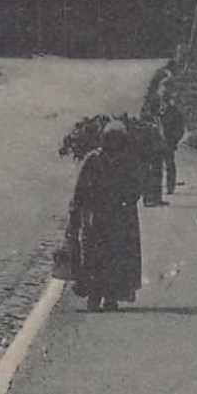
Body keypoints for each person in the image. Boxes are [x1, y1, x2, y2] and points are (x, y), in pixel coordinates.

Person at [65, 121, 143, 312]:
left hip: (120, 217)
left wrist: (126, 199)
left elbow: (138, 186)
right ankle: (93, 296)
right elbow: (80, 189)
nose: (114, 143)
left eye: (118, 139)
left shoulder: (129, 160)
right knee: (94, 257)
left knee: (117, 258)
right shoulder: (93, 159)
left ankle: (111, 296)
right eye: (111, 138)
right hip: (96, 217)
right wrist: (75, 214)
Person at [157, 92, 186, 194]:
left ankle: (170, 187)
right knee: (155, 168)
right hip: (155, 144)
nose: (163, 104)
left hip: (168, 143)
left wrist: (174, 140)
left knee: (169, 165)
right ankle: (155, 192)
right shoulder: (154, 112)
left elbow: (180, 129)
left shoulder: (175, 113)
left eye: (165, 101)